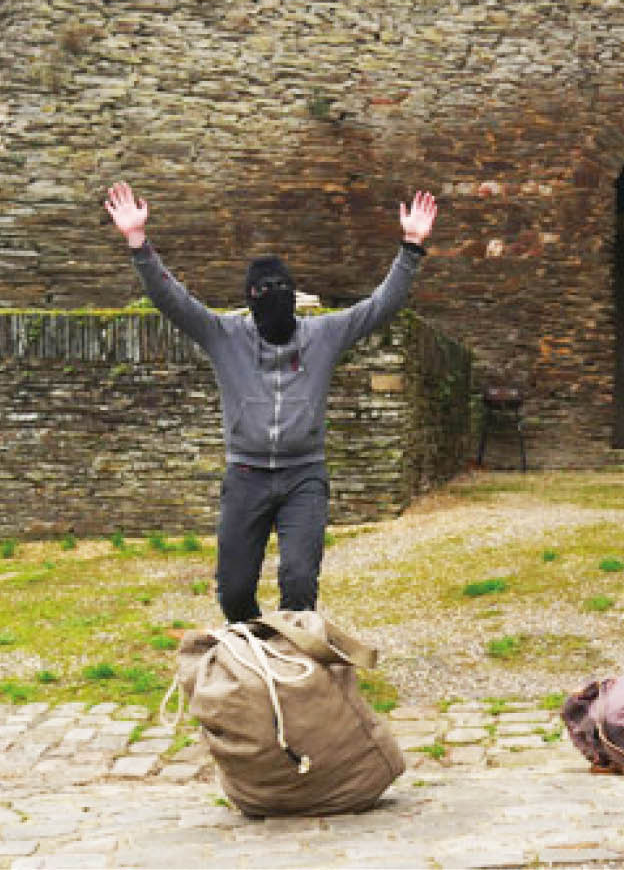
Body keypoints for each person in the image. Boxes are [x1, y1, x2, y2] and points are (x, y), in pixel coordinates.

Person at [104, 181, 438, 624]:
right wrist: (137, 242)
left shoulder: (324, 334)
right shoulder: (225, 336)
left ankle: (292, 665)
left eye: (281, 289)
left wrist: (411, 246)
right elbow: (174, 302)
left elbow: (380, 306)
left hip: (304, 476)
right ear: (250, 300)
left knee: (300, 583)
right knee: (234, 590)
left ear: (294, 294)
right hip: (246, 475)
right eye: (263, 292)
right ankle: (255, 657)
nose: (273, 299)